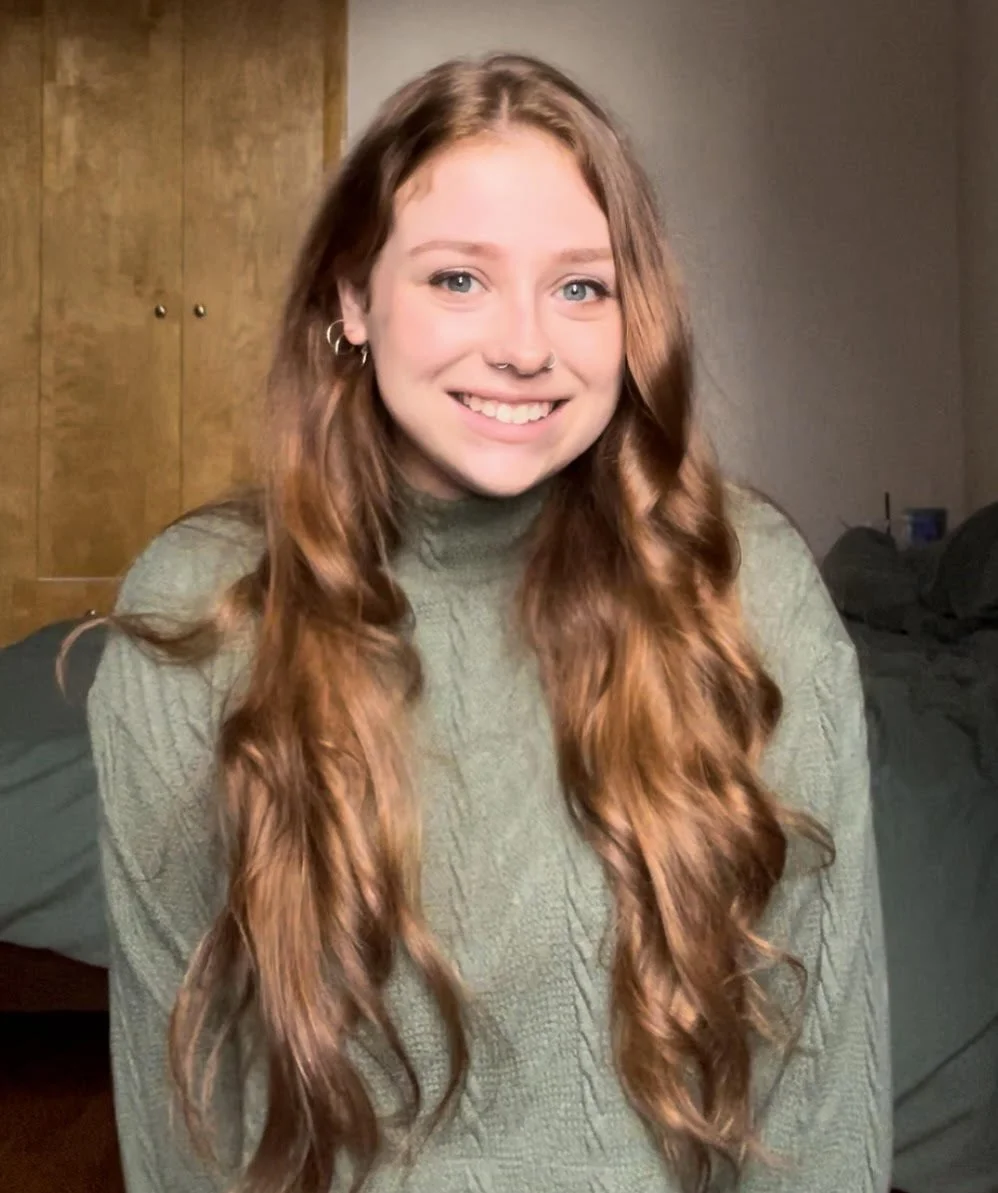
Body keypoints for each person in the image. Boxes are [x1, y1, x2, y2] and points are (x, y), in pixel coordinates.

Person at [86, 52, 892, 1193]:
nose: (524, 344)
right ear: (352, 298)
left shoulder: (744, 582)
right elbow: (192, 1111)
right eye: (458, 278)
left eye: (580, 287)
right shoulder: (195, 611)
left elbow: (816, 1077)